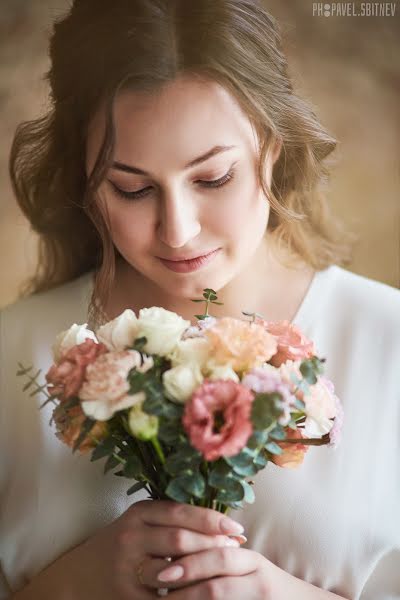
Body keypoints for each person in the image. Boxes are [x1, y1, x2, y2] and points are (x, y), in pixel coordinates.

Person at [1, 0, 399, 598]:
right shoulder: (13, 352)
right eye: (132, 189)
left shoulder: (387, 340)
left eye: (213, 179)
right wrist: (68, 584)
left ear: (273, 145)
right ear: (84, 179)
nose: (178, 230)